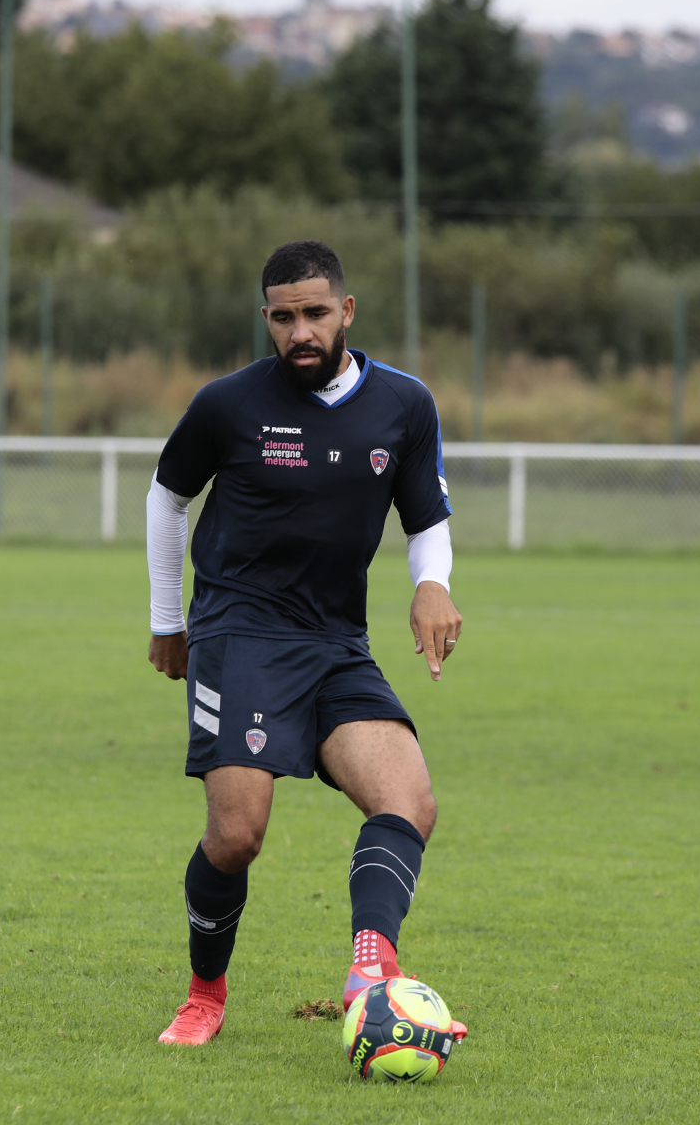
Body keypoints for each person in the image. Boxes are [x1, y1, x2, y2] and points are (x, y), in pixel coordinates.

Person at [146, 239, 464, 1046]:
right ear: (266, 320)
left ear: (347, 311)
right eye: (283, 318)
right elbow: (168, 496)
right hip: (239, 632)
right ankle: (204, 994)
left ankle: (371, 968)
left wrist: (433, 584)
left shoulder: (404, 403)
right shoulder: (228, 404)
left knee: (410, 802)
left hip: (333, 641)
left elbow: (426, 519)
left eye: (316, 313)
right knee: (237, 835)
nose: (301, 333)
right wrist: (167, 620)